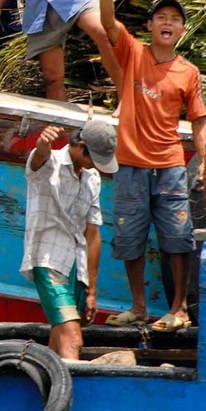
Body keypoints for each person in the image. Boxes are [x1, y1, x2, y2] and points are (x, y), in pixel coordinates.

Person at [97, 0, 206, 332]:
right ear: (150, 26)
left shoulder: (189, 73)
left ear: (181, 32)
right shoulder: (133, 53)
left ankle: (179, 308)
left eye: (175, 20)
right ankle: (139, 306)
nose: (168, 23)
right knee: (129, 237)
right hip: (131, 164)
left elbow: (199, 121)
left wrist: (205, 162)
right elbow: (108, 23)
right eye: (161, 17)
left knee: (177, 238)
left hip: (171, 168)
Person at [22, 121, 118, 361]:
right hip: (48, 260)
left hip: (77, 267)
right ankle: (73, 395)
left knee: (59, 341)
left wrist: (92, 290)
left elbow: (93, 234)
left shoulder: (92, 178)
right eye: (92, 157)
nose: (94, 164)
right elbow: (39, 156)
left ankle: (49, 393)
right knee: (73, 339)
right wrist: (43, 142)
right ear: (80, 146)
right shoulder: (50, 164)